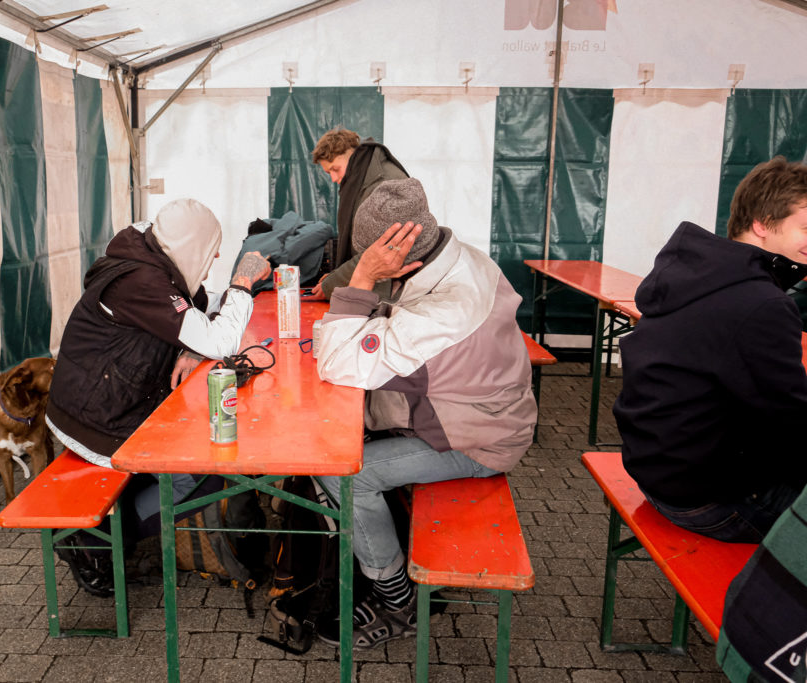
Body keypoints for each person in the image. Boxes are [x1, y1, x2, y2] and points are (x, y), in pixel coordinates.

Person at [312, 178, 538, 648]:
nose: (367, 266)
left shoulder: (443, 310)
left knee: (345, 474)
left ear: (395, 252)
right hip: (477, 412)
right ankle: (365, 551)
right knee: (339, 440)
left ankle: (397, 602)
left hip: (481, 441)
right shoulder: (462, 258)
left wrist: (361, 280)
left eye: (370, 257)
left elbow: (336, 363)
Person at [45, 198, 271, 593]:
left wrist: (190, 348)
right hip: (97, 420)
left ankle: (112, 523)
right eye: (211, 246)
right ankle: (93, 541)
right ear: (191, 244)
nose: (216, 254)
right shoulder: (141, 281)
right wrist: (243, 281)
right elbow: (220, 337)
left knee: (198, 445)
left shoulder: (155, 262)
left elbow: (199, 312)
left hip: (114, 403)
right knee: (203, 479)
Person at [612, 156, 807, 544]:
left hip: (657, 471)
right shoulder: (760, 303)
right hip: (708, 500)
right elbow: (791, 419)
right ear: (761, 225)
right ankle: (768, 601)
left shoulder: (698, 276)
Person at [310, 127, 409, 298]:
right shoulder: (363, 178)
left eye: (335, 169)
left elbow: (377, 254)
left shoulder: (382, 184)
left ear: (350, 155)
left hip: (393, 293)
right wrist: (336, 277)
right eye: (328, 173)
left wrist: (332, 285)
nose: (333, 179)